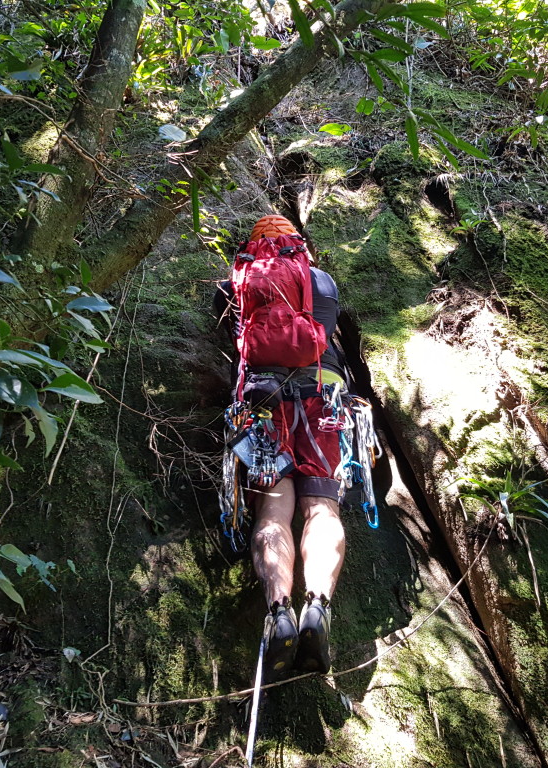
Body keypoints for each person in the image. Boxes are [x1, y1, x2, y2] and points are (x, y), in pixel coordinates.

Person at [214, 214, 347, 677]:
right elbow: (326, 335)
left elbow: (236, 344)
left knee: (272, 513)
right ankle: (318, 606)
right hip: (322, 399)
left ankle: (278, 611)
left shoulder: (233, 285)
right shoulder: (321, 281)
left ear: (251, 247)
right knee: (322, 509)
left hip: (262, 402)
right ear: (297, 244)